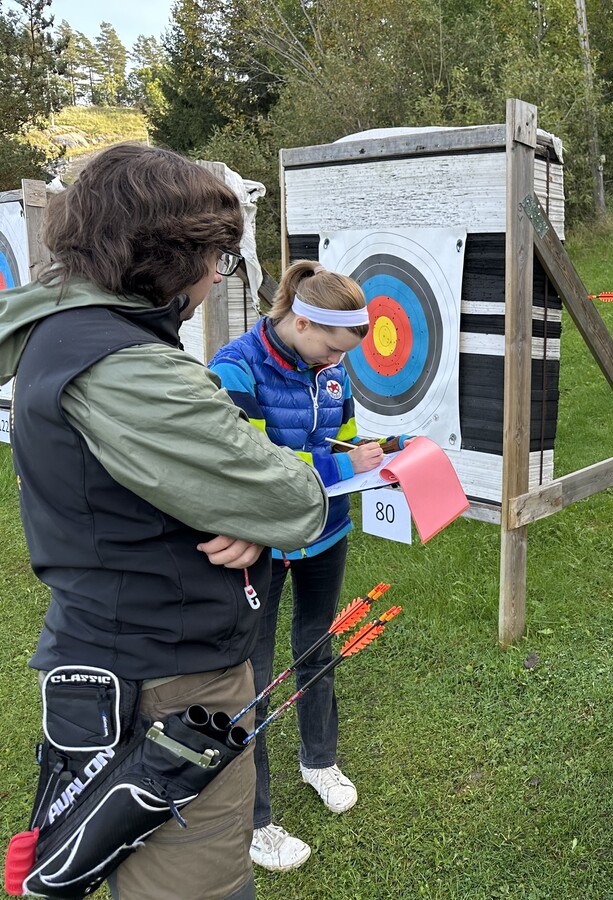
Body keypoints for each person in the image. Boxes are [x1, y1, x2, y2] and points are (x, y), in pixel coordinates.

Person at [0, 143, 330, 899]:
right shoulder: (127, 365)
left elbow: (193, 485)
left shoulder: (66, 327)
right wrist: (259, 507)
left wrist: (235, 506)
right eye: (214, 257)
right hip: (170, 681)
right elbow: (292, 501)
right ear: (164, 257)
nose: (217, 276)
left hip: (128, 650)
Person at [209, 261, 384, 872]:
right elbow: (255, 467)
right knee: (251, 677)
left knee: (317, 646)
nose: (337, 363)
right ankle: (254, 820)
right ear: (302, 322)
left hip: (324, 531)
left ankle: (319, 760)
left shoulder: (331, 368)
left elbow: (342, 436)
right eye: (332, 348)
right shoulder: (236, 367)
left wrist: (376, 459)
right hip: (259, 541)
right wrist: (344, 467)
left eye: (345, 355)